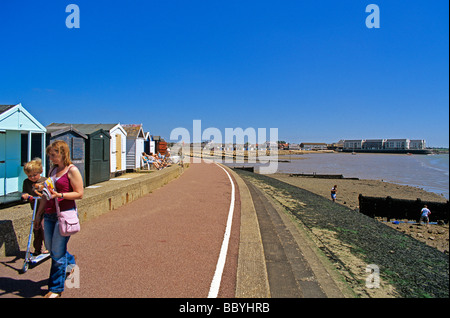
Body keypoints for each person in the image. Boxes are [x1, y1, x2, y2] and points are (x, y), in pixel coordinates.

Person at [35, 140, 84, 298]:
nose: (51, 158)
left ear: (63, 154)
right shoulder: (52, 170)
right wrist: (39, 214)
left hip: (65, 214)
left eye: (54, 155)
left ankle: (55, 289)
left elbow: (79, 193)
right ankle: (70, 261)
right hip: (49, 214)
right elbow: (45, 195)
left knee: (56, 253)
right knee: (52, 249)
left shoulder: (72, 170)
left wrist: (60, 195)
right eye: (50, 155)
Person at [22, 158, 48, 255]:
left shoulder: (45, 181)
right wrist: (25, 195)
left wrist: (38, 194)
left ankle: (49, 247)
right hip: (35, 209)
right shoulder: (26, 182)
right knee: (36, 228)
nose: (32, 177)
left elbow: (48, 195)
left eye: (34, 175)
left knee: (43, 226)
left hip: (46, 210)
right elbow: (25, 192)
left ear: (40, 171)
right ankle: (37, 249)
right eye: (29, 176)